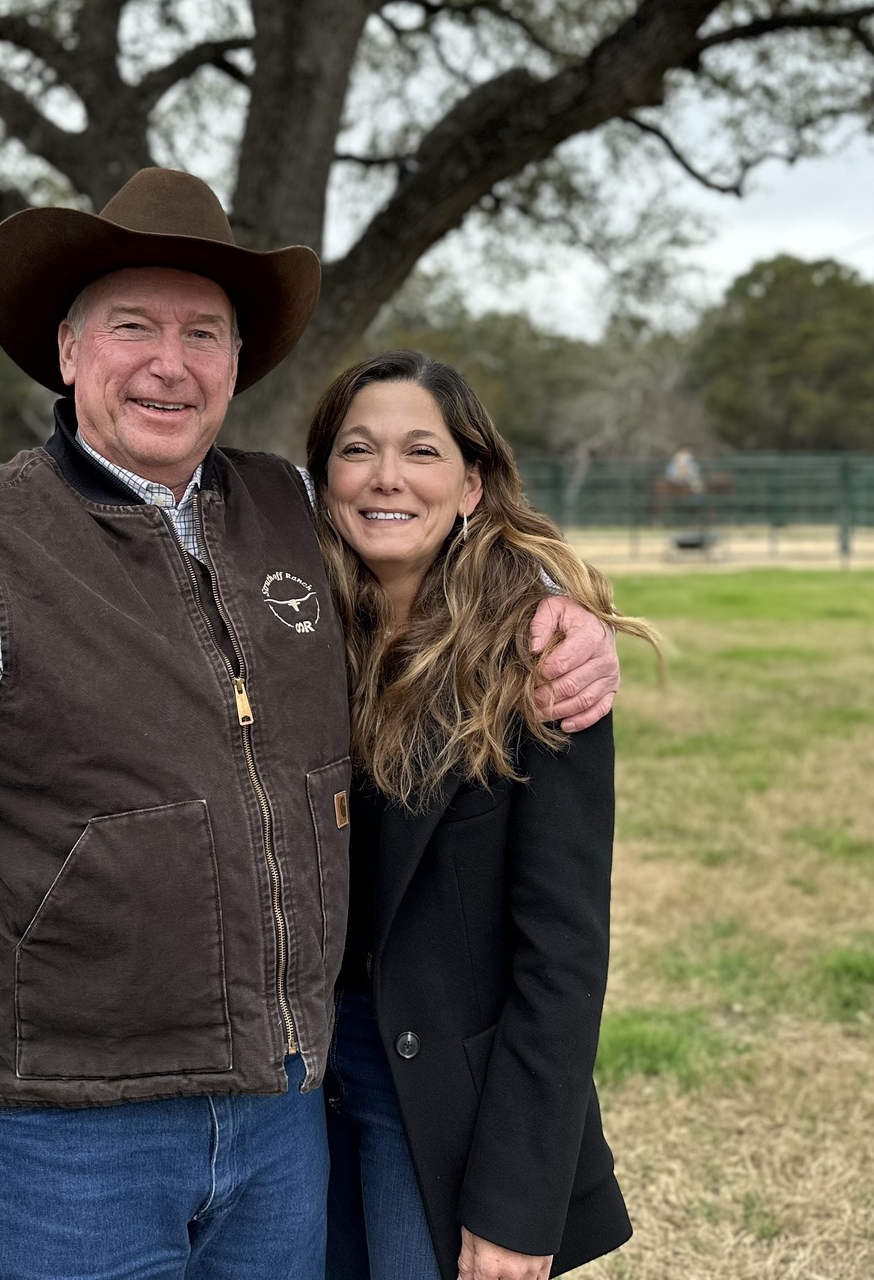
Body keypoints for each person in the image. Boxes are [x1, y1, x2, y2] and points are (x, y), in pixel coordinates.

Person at [0, 167, 625, 1280]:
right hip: (70, 1135)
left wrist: (554, 611)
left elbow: (424, 534)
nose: (169, 363)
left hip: (283, 1121)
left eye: (204, 333)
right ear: (69, 348)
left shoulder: (287, 508)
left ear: (236, 364)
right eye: (133, 325)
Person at [308, 351, 656, 1280]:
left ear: (471, 483)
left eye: (421, 451)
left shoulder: (535, 661)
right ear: (324, 478)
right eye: (357, 449)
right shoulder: (289, 635)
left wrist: (514, 1202)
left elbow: (564, 954)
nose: (386, 476)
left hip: (430, 1091)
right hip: (289, 1087)